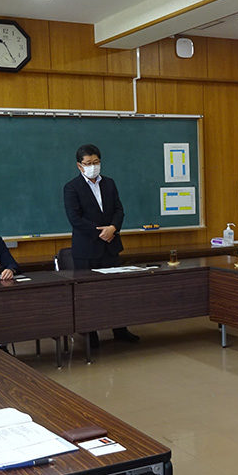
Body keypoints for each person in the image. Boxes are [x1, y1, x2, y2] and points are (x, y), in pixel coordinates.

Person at [63, 144, 139, 346]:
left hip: (111, 246)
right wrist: (101, 233)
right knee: (88, 294)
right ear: (79, 166)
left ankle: (120, 330)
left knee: (115, 291)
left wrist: (113, 228)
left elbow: (119, 210)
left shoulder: (110, 183)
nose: (93, 166)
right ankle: (90, 334)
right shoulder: (72, 187)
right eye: (88, 163)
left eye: (96, 162)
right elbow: (75, 219)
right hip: (86, 249)